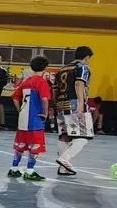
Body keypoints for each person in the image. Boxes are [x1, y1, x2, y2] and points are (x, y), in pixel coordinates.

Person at [8, 56, 51, 181]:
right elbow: (44, 99)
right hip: (34, 118)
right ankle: (30, 171)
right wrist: (45, 113)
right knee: (35, 146)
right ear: (45, 68)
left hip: (23, 118)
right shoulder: (41, 82)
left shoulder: (26, 81)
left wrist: (20, 110)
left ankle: (13, 168)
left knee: (20, 145)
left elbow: (15, 97)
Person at [54, 46, 94, 175]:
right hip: (74, 105)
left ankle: (63, 168)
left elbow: (55, 89)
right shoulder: (82, 67)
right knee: (83, 136)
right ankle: (65, 159)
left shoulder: (61, 70)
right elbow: (79, 84)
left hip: (61, 105)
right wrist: (81, 105)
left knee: (64, 137)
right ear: (86, 57)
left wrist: (56, 105)